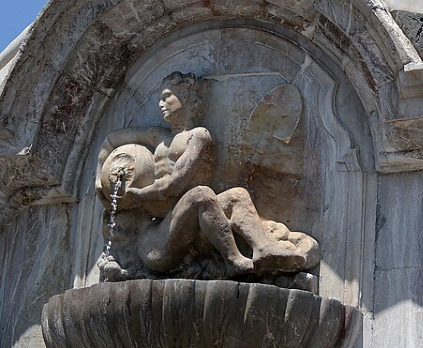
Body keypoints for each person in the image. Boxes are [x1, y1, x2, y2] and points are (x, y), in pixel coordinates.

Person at [96, 72, 318, 279]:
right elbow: (110, 140)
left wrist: (138, 195)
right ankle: (233, 259)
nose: (160, 104)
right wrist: (99, 179)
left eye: (167, 97)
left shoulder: (199, 136)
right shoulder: (158, 137)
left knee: (237, 195)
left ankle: (262, 248)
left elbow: (175, 184)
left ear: (187, 98)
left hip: (181, 228)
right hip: (156, 242)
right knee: (200, 194)